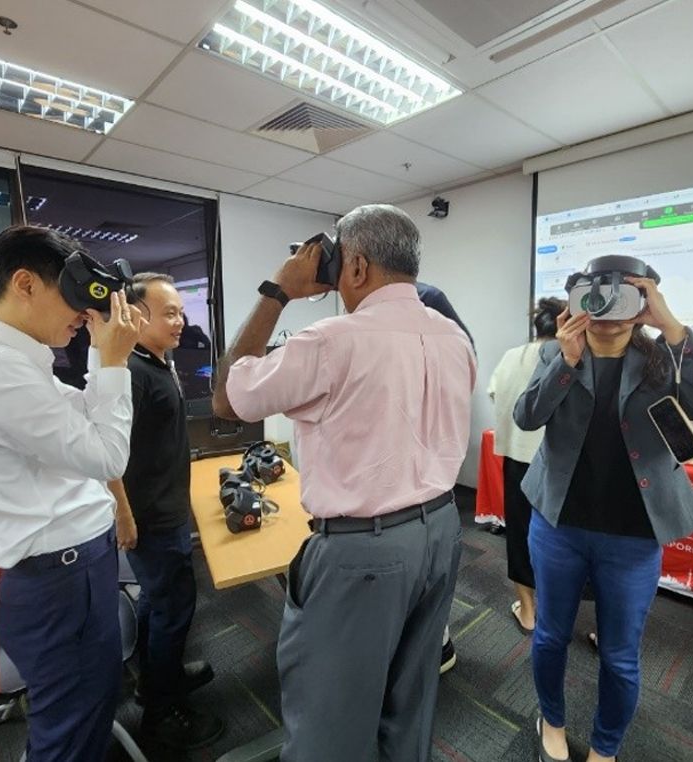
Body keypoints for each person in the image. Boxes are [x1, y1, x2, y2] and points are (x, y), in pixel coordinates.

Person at [213, 204, 476, 762]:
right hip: (443, 531)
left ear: (354, 266)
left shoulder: (330, 340)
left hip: (365, 551)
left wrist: (277, 289)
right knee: (411, 699)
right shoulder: (455, 337)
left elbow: (227, 398)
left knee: (330, 722)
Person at [0, 226, 142, 761]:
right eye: (74, 296)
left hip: (72, 571)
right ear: (25, 283)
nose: (83, 314)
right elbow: (106, 456)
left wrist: (106, 357)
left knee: (88, 706)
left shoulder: (16, 362)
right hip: (60, 582)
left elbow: (82, 417)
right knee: (70, 730)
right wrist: (114, 361)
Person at [514, 270, 693, 762]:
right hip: (559, 526)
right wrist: (565, 362)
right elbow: (526, 416)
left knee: (620, 656)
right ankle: (553, 718)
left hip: (633, 537)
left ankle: (606, 747)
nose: (605, 309)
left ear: (642, 302)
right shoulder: (554, 352)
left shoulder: (662, 359)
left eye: (623, 296)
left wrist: (671, 326)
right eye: (594, 296)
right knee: (549, 636)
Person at [107, 272, 222, 750]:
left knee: (158, 604)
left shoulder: (155, 362)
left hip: (165, 507)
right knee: (174, 609)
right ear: (137, 315)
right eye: (169, 312)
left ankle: (159, 679)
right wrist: (124, 515)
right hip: (153, 519)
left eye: (181, 311)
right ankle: (161, 714)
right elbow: (107, 452)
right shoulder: (130, 373)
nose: (181, 321)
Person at [487, 297, 565, 634]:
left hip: (518, 460)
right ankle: (557, 608)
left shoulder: (511, 356)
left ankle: (529, 612)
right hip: (560, 465)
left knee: (520, 535)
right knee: (563, 540)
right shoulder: (569, 356)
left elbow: (494, 393)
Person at [415, 282, 476, 674]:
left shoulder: (429, 298)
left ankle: (438, 643)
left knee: (430, 565)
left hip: (428, 480)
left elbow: (465, 354)